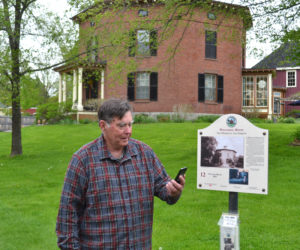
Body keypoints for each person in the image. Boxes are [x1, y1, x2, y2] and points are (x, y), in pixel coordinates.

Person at [56, 98, 185, 249]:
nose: (128, 131)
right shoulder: (83, 161)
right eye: (122, 125)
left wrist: (173, 191)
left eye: (130, 124)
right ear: (103, 126)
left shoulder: (145, 154)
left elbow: (164, 189)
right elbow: (67, 217)